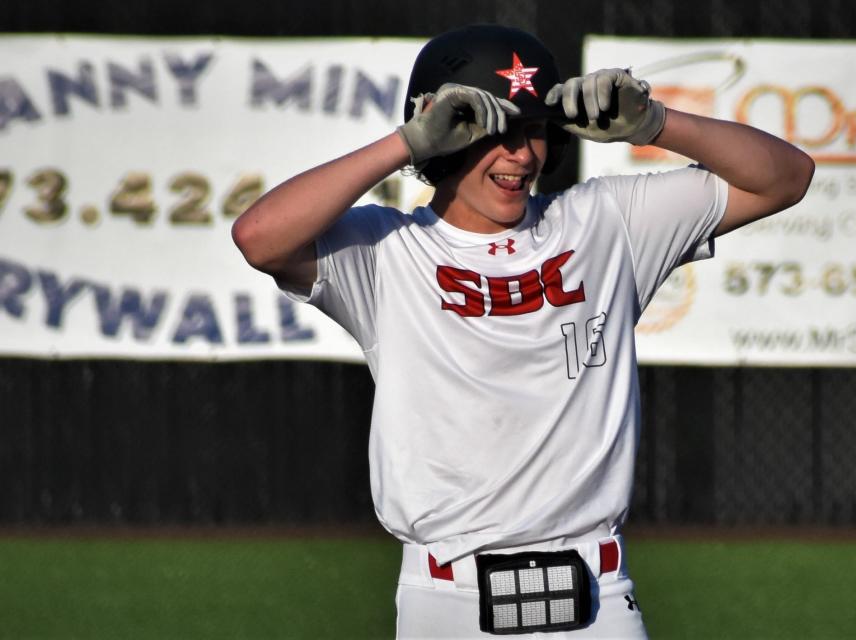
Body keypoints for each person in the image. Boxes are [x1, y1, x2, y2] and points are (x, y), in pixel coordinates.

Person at [233, 24, 813, 639]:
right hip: (445, 600)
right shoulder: (386, 249)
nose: (521, 154)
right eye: (493, 132)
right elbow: (259, 238)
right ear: (441, 137)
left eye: (533, 131)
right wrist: (405, 144)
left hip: (599, 600)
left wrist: (656, 124)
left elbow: (785, 177)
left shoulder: (606, 222)